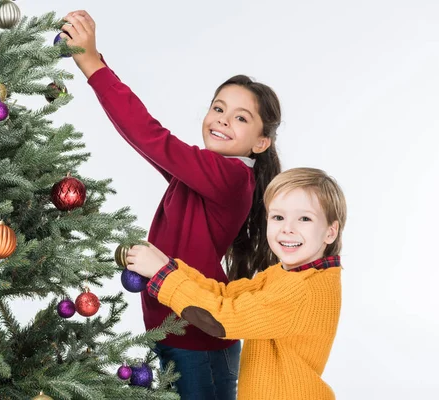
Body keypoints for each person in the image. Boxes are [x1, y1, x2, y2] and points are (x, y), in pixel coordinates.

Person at [61, 10, 282, 399]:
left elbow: (150, 138)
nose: (222, 120)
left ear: (260, 143)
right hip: (179, 333)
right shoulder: (208, 172)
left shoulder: (230, 176)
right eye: (218, 108)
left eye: (241, 118)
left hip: (197, 342)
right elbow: (148, 145)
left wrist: (93, 64)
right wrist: (96, 63)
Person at [126, 167, 347, 400]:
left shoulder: (301, 289)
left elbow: (221, 319)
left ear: (330, 233)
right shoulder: (288, 274)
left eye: (304, 218)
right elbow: (226, 294)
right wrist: (170, 266)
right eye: (278, 217)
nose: (288, 228)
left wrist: (163, 276)